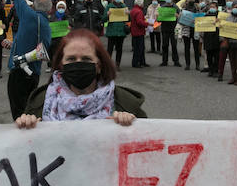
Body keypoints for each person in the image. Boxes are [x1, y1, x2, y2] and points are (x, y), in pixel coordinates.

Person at [16, 29, 144, 128]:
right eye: (71, 59)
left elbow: (150, 149)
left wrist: (132, 126)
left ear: (99, 66)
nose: (78, 63)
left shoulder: (125, 104)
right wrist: (25, 126)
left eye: (86, 59)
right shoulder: (40, 103)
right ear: (61, 65)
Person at [104, 0, 128, 65]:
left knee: (119, 49)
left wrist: (128, 14)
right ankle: (108, 65)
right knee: (110, 49)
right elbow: (103, 19)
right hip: (112, 31)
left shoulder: (123, 6)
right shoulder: (109, 6)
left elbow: (128, 20)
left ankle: (117, 64)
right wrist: (107, 15)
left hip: (121, 31)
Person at [128, 0, 149, 68]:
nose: (143, 4)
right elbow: (140, 22)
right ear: (140, 4)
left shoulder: (133, 10)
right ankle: (137, 63)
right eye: (143, 3)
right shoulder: (139, 11)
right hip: (139, 32)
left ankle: (141, 62)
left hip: (134, 31)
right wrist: (147, 24)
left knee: (138, 48)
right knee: (139, 48)